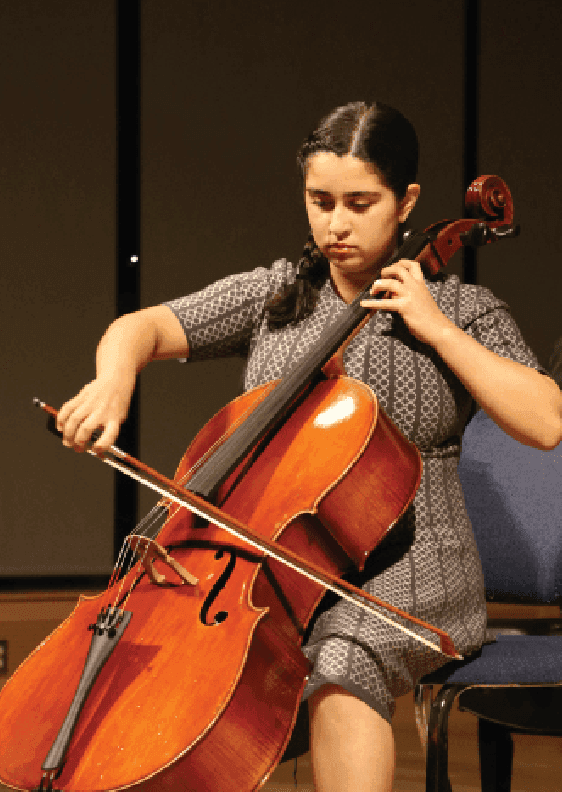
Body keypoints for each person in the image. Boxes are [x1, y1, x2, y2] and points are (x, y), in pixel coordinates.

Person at [56, 102, 562, 792]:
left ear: (407, 201)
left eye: (360, 203)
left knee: (343, 656)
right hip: (288, 561)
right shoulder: (277, 295)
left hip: (419, 563)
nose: (336, 225)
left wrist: (438, 329)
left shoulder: (463, 309)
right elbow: (137, 328)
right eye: (320, 202)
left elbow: (545, 421)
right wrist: (113, 383)